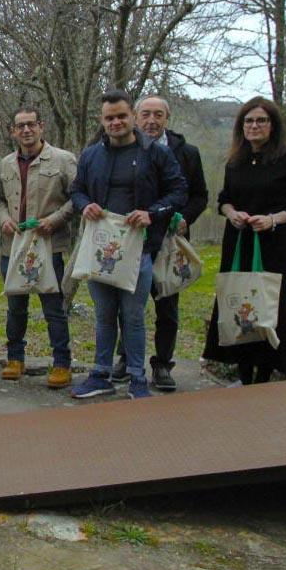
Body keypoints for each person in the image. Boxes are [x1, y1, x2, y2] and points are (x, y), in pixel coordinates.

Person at [69, 89, 187, 400]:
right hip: (100, 248)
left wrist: (152, 213)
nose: (116, 122)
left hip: (140, 250)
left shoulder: (156, 154)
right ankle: (100, 374)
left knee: (133, 316)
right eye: (110, 118)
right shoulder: (91, 155)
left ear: (132, 116)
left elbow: (178, 192)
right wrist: (85, 205)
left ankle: (137, 377)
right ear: (102, 120)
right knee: (104, 316)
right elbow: (76, 190)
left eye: (122, 116)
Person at [203, 97, 286, 383]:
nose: (254, 126)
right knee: (238, 304)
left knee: (270, 308)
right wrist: (231, 213)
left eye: (261, 120)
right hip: (239, 243)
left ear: (273, 125)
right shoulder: (235, 163)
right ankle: (244, 376)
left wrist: (274, 219)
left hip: (275, 246)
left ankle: (264, 378)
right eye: (248, 121)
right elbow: (223, 200)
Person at [109, 95, 208, 391]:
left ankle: (162, 364)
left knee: (167, 307)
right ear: (136, 116)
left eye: (158, 115)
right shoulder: (122, 149)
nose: (151, 120)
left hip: (169, 242)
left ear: (167, 118)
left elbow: (199, 195)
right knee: (128, 305)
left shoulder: (187, 153)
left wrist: (186, 217)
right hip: (132, 241)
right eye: (146, 114)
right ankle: (126, 358)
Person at [0, 107, 77, 388]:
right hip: (13, 246)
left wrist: (55, 220)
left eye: (31, 124)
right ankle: (15, 358)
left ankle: (62, 363)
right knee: (15, 307)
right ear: (13, 131)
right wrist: (4, 219)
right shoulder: (6, 164)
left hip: (48, 245)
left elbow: (78, 197)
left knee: (53, 308)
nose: (26, 130)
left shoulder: (63, 160)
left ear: (41, 126)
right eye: (20, 126)